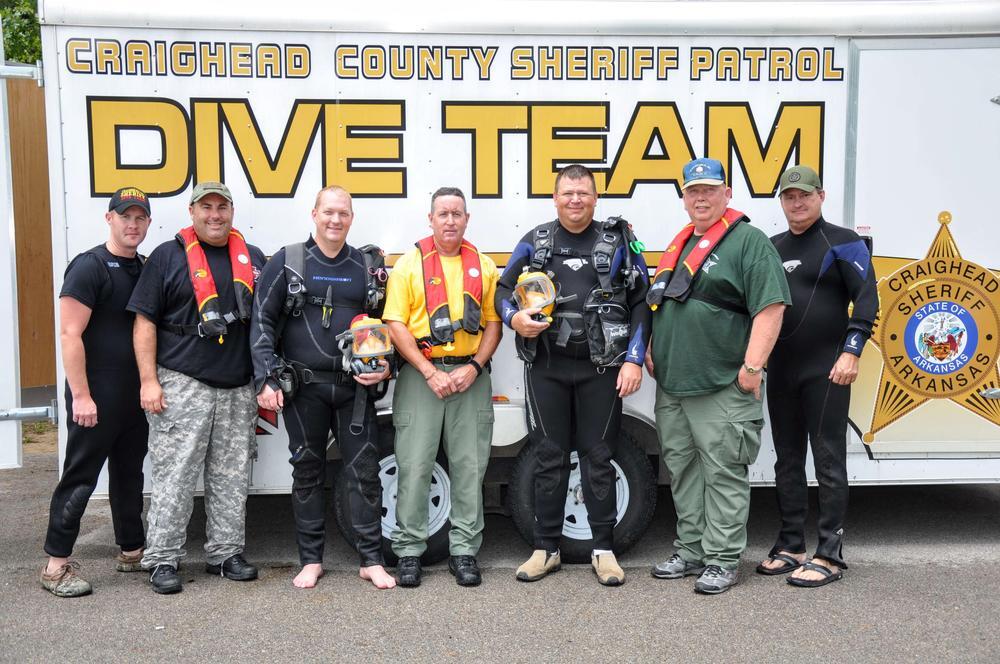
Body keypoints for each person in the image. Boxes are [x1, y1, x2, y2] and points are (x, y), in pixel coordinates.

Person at [495, 164, 650, 586]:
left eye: (583, 192)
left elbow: (641, 301)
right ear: (555, 197)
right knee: (549, 458)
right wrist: (515, 320)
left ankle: (604, 551)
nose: (575, 199)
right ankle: (545, 550)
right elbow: (501, 292)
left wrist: (634, 359)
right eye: (567, 193)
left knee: (600, 458)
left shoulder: (619, 239)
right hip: (546, 366)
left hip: (602, 368)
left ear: (595, 197)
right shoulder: (536, 241)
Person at [646, 158, 790, 594]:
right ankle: (691, 549)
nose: (701, 198)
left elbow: (771, 307)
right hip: (674, 385)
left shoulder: (748, 242)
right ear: (685, 197)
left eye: (710, 190)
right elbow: (666, 303)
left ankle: (724, 558)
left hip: (723, 383)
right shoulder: (684, 242)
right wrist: (654, 346)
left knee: (724, 472)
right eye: (693, 191)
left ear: (727, 194)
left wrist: (752, 366)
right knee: (684, 471)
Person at [250, 186, 395, 590]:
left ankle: (371, 560)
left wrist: (385, 367)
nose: (336, 220)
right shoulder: (289, 261)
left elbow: (390, 327)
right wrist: (265, 377)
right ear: (314, 213)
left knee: (365, 473)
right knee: (307, 473)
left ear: (352, 217)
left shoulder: (365, 266)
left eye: (343, 213)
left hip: (356, 390)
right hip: (304, 391)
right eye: (328, 212)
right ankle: (311, 560)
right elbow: (261, 323)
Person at [127, 181, 266, 594]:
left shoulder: (253, 258)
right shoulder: (167, 257)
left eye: (222, 207)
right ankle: (163, 559)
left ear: (232, 212)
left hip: (238, 387)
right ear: (192, 212)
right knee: (175, 476)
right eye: (206, 207)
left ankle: (224, 554)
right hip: (182, 383)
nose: (215, 215)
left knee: (232, 477)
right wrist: (148, 381)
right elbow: (144, 322)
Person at [757, 165, 877, 587]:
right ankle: (791, 544)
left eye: (804, 195)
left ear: (820, 196)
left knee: (827, 459)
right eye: (789, 197)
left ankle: (829, 553)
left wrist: (852, 351)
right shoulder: (772, 246)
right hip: (783, 368)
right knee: (786, 459)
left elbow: (866, 301)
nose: (796, 203)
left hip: (827, 369)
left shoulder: (843, 242)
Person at [382, 187, 501, 587]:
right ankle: (410, 551)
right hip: (422, 377)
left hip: (470, 377)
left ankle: (464, 551)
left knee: (470, 467)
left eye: (457, 213)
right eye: (443, 214)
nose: (450, 220)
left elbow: (494, 322)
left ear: (466, 219)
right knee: (414, 466)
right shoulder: (408, 266)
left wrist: (475, 365)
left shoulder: (483, 266)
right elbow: (395, 324)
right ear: (430, 219)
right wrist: (428, 371)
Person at [40, 187, 152, 597]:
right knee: (81, 476)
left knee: (130, 475)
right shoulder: (89, 266)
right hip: (96, 394)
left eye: (140, 218)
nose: (133, 224)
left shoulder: (143, 267)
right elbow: (70, 335)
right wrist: (82, 396)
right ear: (110, 219)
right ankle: (55, 565)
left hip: (132, 394)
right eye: (126, 216)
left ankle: (132, 551)